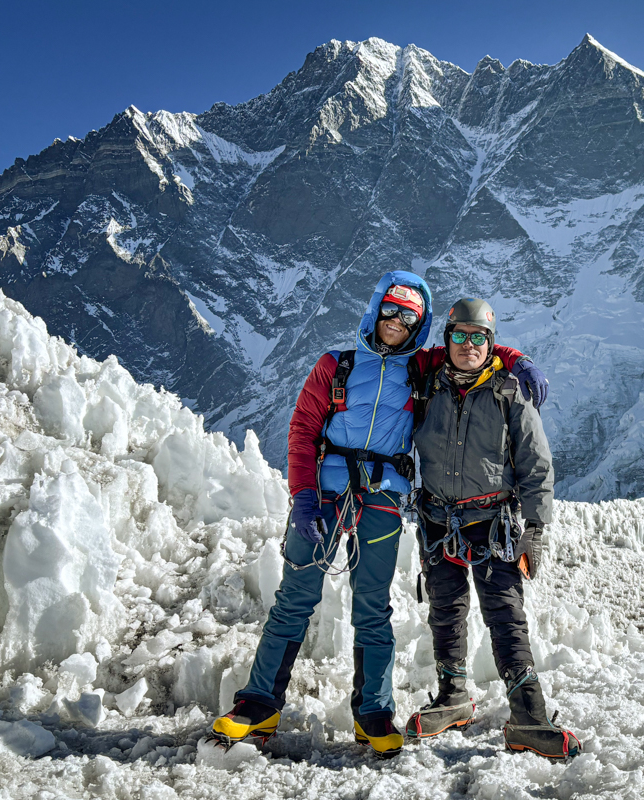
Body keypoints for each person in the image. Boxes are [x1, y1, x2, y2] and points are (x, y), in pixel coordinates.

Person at [208, 273, 547, 758]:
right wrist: (303, 495)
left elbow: (471, 344)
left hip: (382, 496)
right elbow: (304, 429)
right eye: (390, 310)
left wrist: (518, 360)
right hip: (324, 492)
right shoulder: (336, 365)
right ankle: (258, 703)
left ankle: (374, 712)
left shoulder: (421, 366)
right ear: (375, 311)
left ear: (419, 323)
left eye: (409, 316)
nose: (396, 322)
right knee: (295, 598)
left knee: (372, 605)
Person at [406, 298, 581, 759]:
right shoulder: (426, 385)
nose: (469, 345)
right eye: (460, 336)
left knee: (505, 616)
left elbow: (536, 466)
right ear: (447, 341)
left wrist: (535, 528)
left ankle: (529, 714)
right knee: (446, 609)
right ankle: (453, 697)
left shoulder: (510, 393)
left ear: (490, 344)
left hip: (493, 524)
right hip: (436, 519)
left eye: (478, 337)